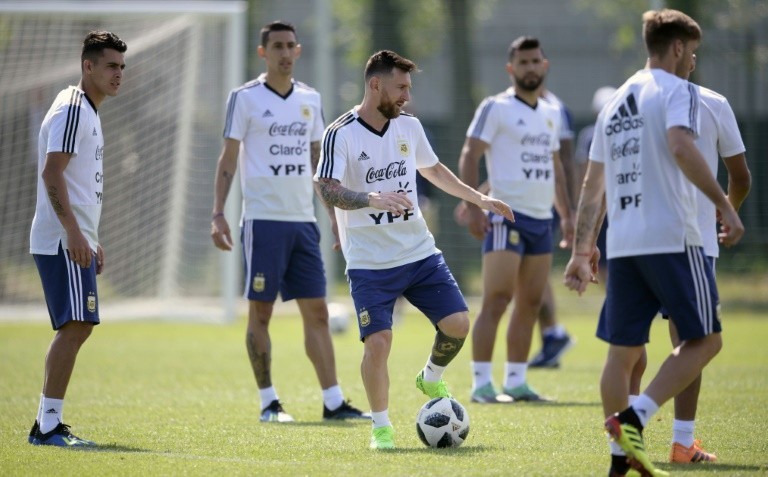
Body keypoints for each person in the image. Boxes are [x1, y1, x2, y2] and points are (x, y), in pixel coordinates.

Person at [564, 9, 744, 477]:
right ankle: (634, 419)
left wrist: (582, 252)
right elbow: (682, 146)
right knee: (705, 340)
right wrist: (725, 205)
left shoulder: (616, 102)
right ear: (679, 47)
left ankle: (620, 462)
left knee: (621, 354)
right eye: (692, 53)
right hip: (673, 236)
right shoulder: (678, 90)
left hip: (624, 243)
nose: (693, 63)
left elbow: (592, 185)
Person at [314, 50, 514, 449]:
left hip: (418, 252)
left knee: (458, 323)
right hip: (370, 262)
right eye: (401, 87)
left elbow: (435, 170)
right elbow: (327, 187)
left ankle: (431, 378)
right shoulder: (341, 132)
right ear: (376, 85)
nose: (407, 95)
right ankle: (382, 429)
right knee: (379, 343)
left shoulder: (409, 127)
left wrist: (479, 199)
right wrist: (372, 199)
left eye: (409, 87)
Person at [210, 21, 368, 423]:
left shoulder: (310, 100)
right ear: (263, 52)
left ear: (298, 52)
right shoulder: (244, 98)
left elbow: (319, 164)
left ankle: (333, 402)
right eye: (276, 46)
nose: (284, 52)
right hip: (263, 222)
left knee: (317, 312)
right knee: (260, 314)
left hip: (302, 223)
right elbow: (228, 158)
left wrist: (332, 216)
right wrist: (218, 213)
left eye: (290, 46)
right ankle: (269, 402)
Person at [630, 52, 751, 465]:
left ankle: (630, 444)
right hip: (691, 241)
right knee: (695, 342)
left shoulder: (632, 101)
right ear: (689, 58)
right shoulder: (713, 103)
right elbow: (741, 176)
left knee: (626, 344)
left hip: (635, 239)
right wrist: (727, 209)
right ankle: (671, 438)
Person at [458, 36, 573, 404]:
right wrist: (474, 204)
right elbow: (469, 153)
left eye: (535, 61)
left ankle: (517, 382)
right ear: (511, 69)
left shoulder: (553, 113)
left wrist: (567, 217)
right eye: (522, 63)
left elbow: (555, 168)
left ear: (545, 65)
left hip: (542, 221)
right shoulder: (496, 108)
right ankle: (480, 384)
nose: (530, 68)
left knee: (531, 302)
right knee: (497, 298)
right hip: (505, 217)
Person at [28, 30, 127, 447]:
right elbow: (52, 173)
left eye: (122, 67)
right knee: (75, 324)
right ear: (88, 66)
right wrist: (73, 233)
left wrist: (91, 235)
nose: (118, 74)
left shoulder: (87, 108)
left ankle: (47, 423)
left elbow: (79, 181)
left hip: (73, 236)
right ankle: (47, 425)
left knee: (79, 325)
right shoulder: (73, 109)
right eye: (110, 66)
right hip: (59, 239)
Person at [529, 87, 577, 369]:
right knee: (531, 278)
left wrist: (569, 210)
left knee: (532, 278)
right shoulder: (513, 104)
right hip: (531, 203)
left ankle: (553, 333)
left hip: (544, 204)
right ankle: (551, 335)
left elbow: (565, 161)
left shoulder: (555, 109)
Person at [573, 86, 618, 285]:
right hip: (611, 205)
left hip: (604, 204)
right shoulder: (591, 135)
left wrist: (580, 207)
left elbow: (585, 177)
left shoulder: (589, 135)